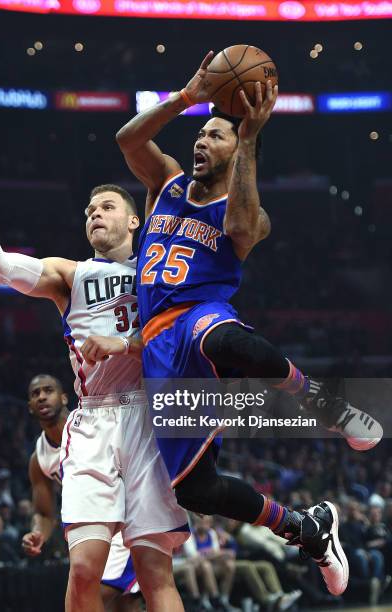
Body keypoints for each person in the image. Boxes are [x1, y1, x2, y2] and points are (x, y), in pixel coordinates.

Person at [115, 51, 373, 596]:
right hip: (159, 342)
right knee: (195, 489)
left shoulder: (250, 210)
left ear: (237, 150)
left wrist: (251, 138)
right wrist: (187, 98)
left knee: (225, 337)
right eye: (200, 135)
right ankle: (306, 529)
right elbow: (128, 140)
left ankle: (322, 402)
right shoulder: (165, 182)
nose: (201, 141)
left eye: (216, 136)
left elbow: (239, 225)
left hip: (201, 313)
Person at [0, 148, 188, 612]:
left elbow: (184, 343)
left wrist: (124, 344)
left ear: (133, 223)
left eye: (106, 207)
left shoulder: (160, 275)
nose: (94, 215)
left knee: (154, 572)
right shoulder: (72, 273)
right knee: (84, 568)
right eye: (89, 211)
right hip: (94, 420)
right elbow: (0, 267)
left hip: (150, 419)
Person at [22, 373, 142, 611]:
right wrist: (38, 534)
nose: (42, 397)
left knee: (86, 599)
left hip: (124, 524)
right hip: (90, 533)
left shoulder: (93, 426)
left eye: (48, 390)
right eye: (36, 394)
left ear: (64, 397)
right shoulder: (40, 459)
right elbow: (45, 514)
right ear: (29, 407)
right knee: (123, 605)